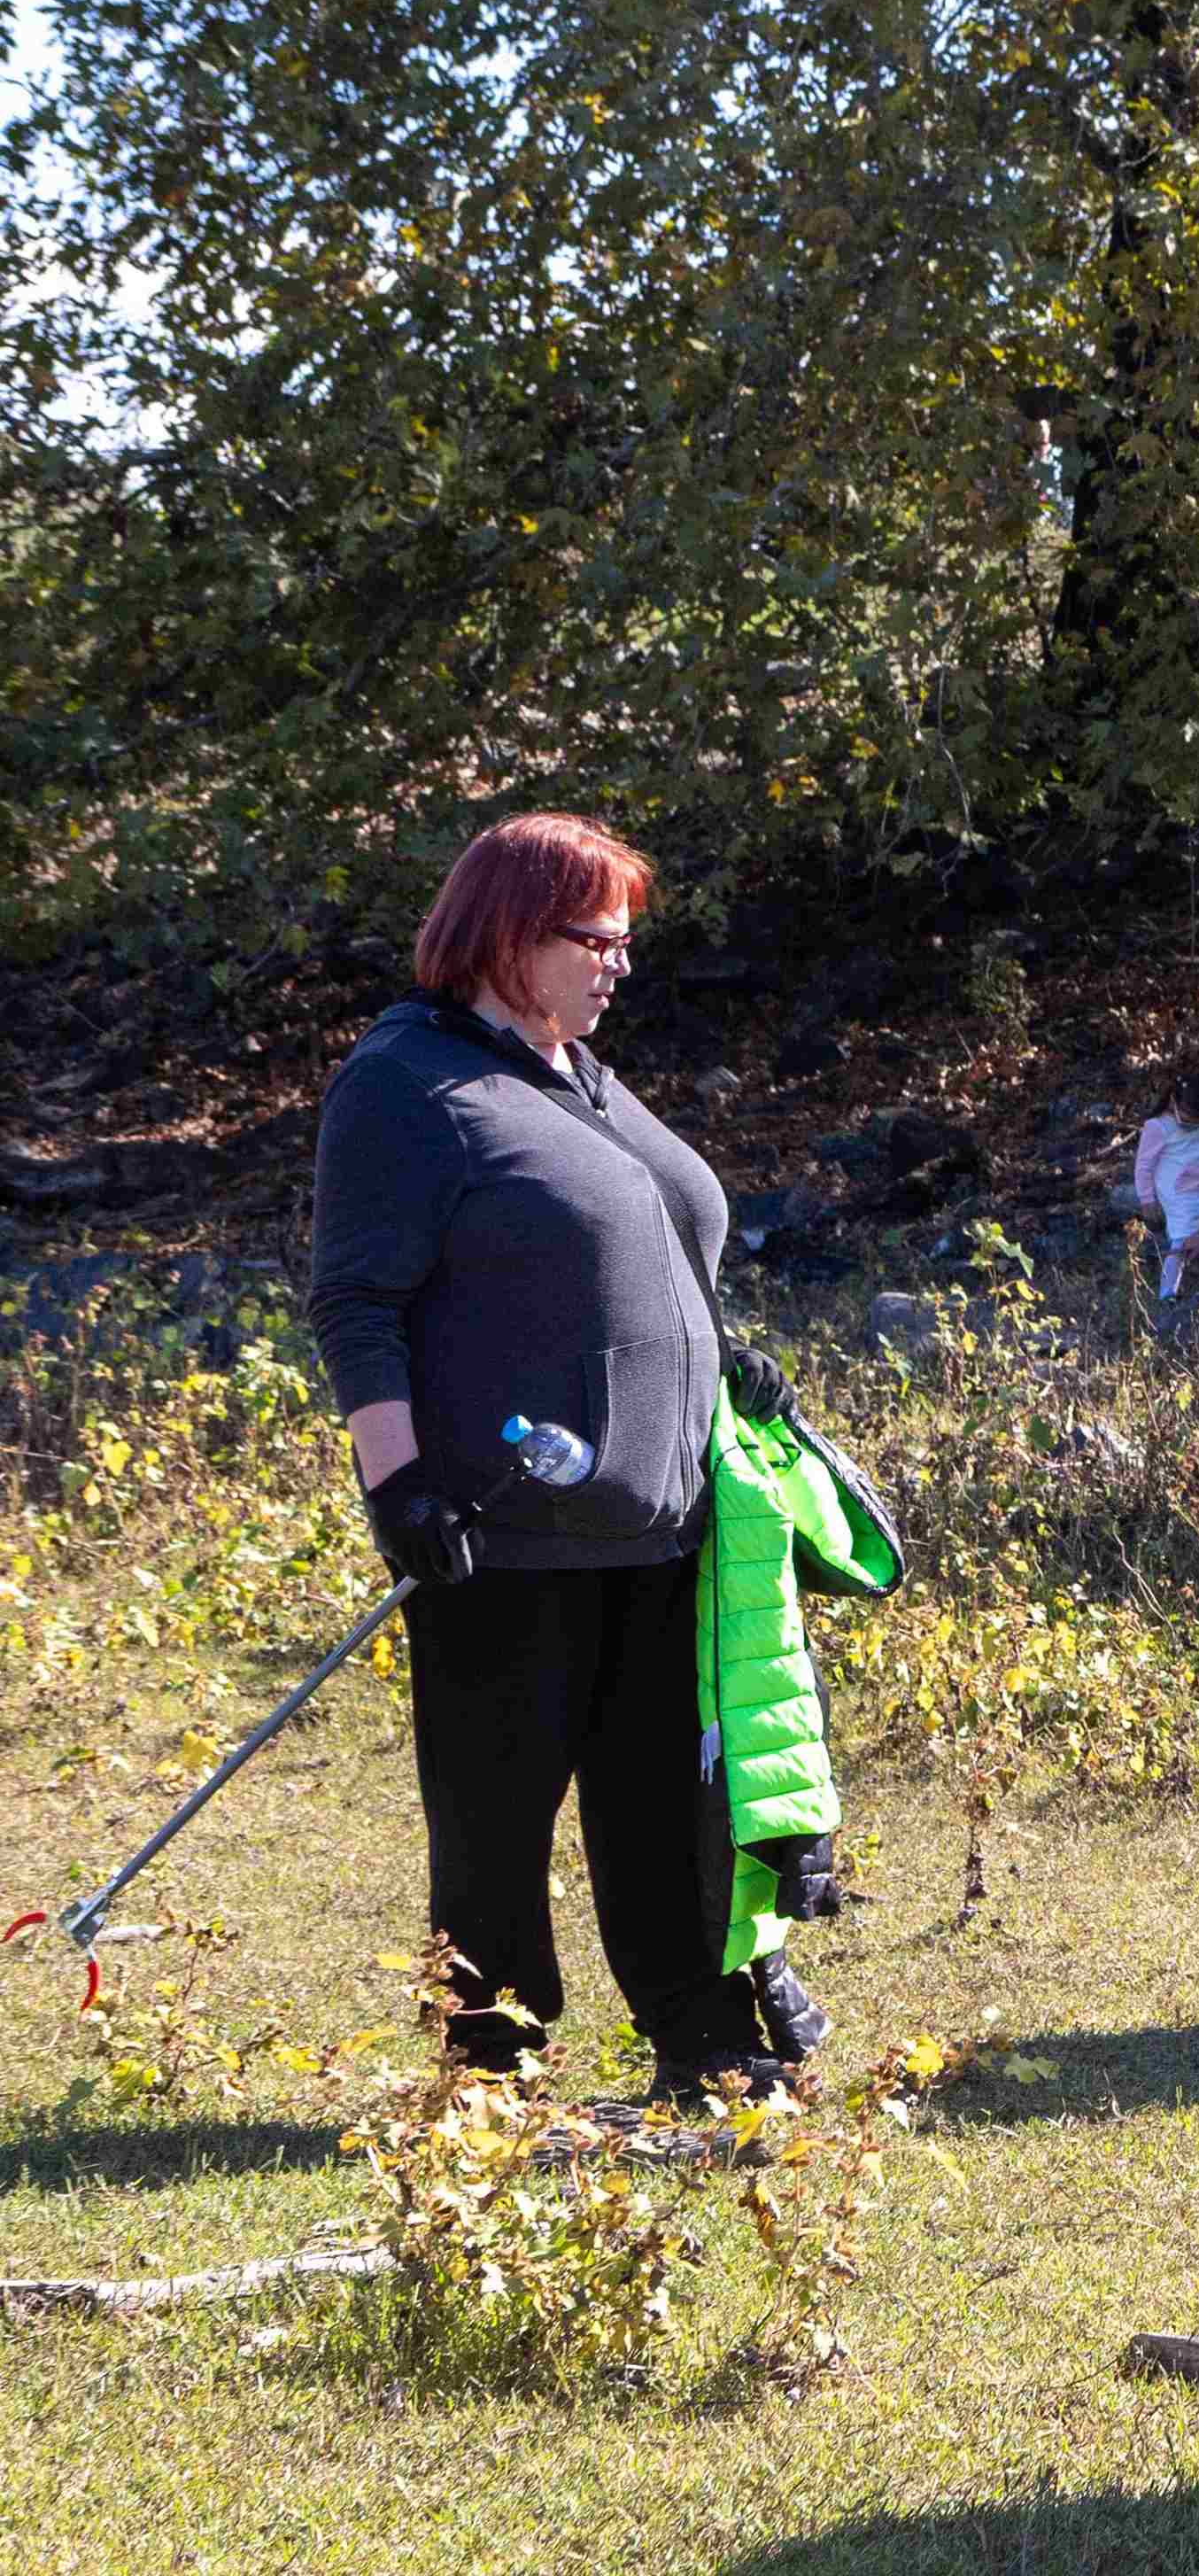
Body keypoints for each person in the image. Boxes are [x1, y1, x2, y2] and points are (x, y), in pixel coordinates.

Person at [306, 811, 819, 2107]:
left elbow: (645, 1241)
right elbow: (356, 1304)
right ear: (505, 936)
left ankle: (703, 2045)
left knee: (662, 1809)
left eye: (625, 941)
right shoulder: (409, 1084)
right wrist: (397, 1484)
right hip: (501, 1529)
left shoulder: (575, 1070)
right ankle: (490, 2075)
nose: (617, 965)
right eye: (593, 938)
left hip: (663, 1522)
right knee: (497, 1824)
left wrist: (724, 1355)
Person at [1132, 1067, 1199, 1299]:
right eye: (1190, 1116)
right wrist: (1147, 1200)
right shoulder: (1158, 1127)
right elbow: (1143, 1166)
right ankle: (1167, 1295)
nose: (1195, 1122)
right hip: (1181, 1199)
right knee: (1180, 1247)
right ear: (1174, 1100)